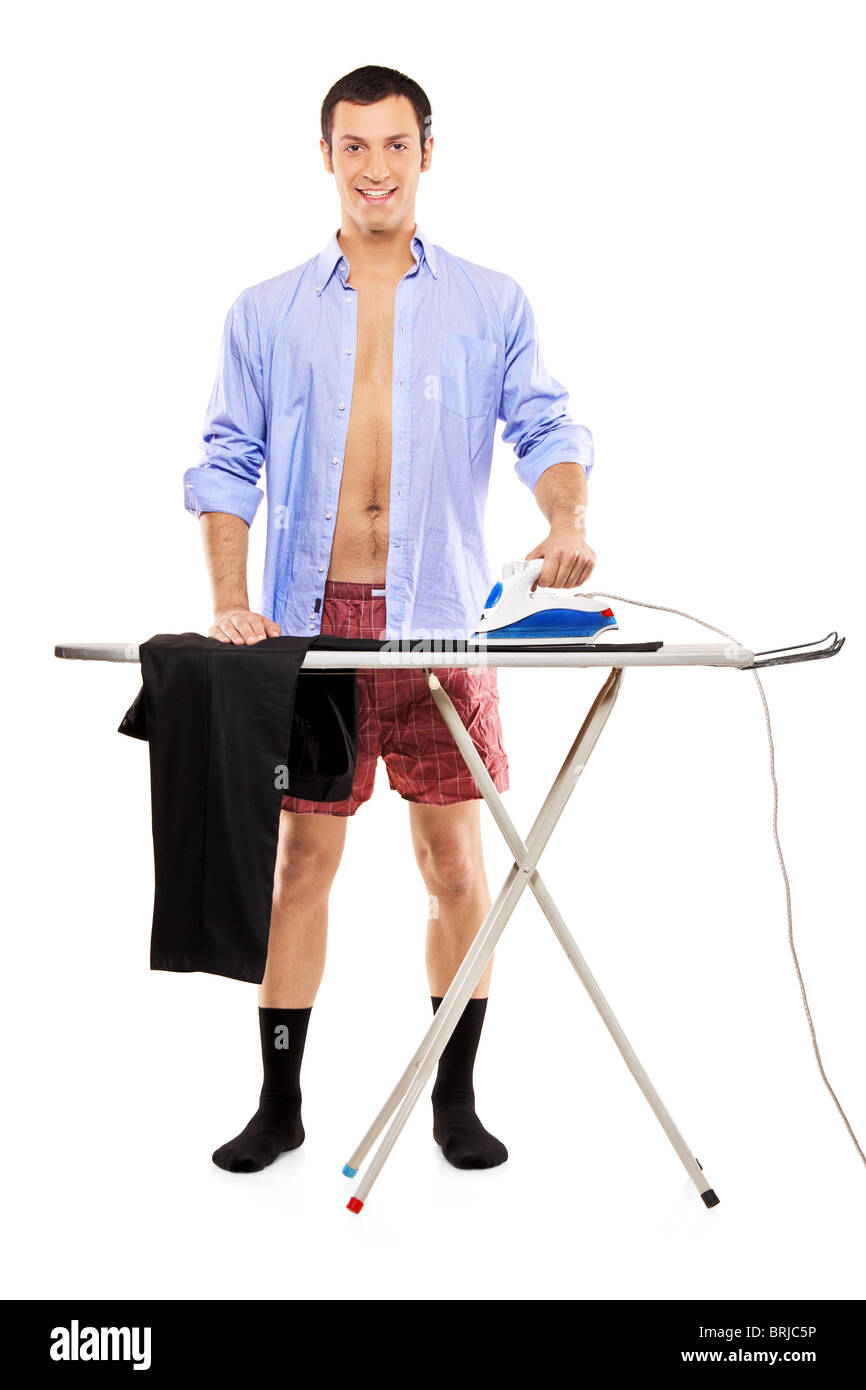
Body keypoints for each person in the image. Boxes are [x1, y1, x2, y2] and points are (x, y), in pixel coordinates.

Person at [183, 64, 597, 1175]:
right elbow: (227, 462)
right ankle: (279, 1103)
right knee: (301, 864)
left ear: (426, 153)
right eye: (353, 146)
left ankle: (451, 1095)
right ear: (325, 155)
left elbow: (547, 427)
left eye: (394, 145)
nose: (374, 167)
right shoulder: (265, 310)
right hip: (314, 623)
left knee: (455, 865)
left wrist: (565, 518)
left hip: (439, 619)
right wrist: (232, 601)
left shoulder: (489, 300)